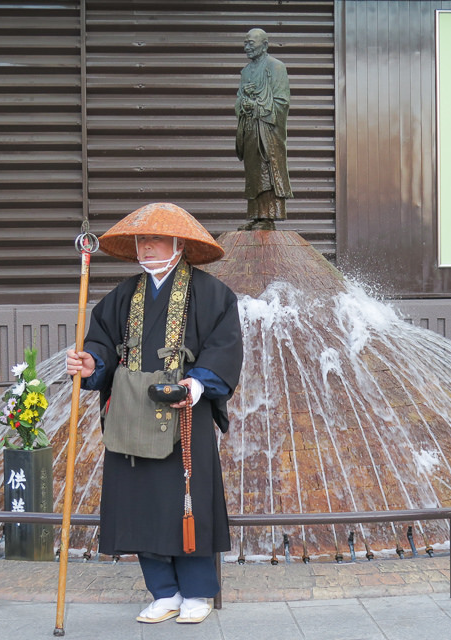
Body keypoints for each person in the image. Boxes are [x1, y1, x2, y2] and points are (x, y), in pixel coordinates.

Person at [66, 202, 243, 625]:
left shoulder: (214, 294)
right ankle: (163, 592)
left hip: (185, 411)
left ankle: (197, 593)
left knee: (189, 500)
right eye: (141, 240)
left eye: (155, 239)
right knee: (140, 500)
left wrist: (196, 383)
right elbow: (102, 344)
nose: (145, 247)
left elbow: (225, 347)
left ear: (179, 244)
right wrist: (92, 364)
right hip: (132, 411)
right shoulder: (123, 297)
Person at [235, 28, 292, 230]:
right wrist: (244, 103)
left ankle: (268, 217)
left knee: (269, 168)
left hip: (268, 130)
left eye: (251, 43)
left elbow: (282, 102)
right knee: (253, 172)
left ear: (265, 45)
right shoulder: (246, 72)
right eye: (245, 43)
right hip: (251, 128)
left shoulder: (276, 67)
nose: (247, 47)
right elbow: (238, 101)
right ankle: (257, 216)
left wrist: (258, 105)